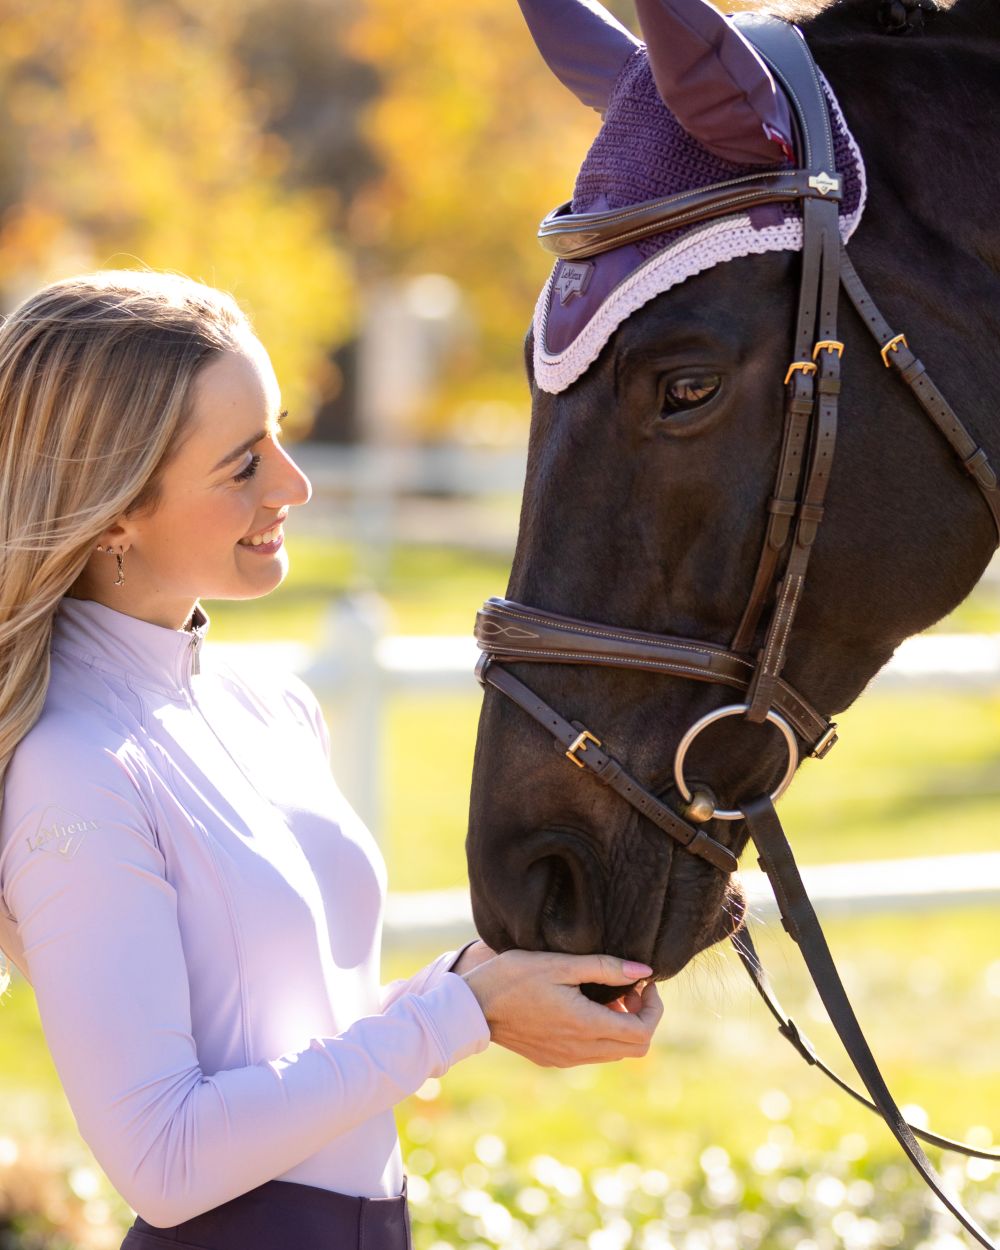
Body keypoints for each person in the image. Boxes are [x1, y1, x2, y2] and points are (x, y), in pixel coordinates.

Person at [0, 270, 664, 1250]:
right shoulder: (74, 766)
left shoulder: (270, 709)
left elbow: (301, 1043)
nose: (293, 484)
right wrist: (456, 1011)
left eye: (278, 434)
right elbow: (165, 1157)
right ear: (113, 513)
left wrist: (483, 988)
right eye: (241, 464)